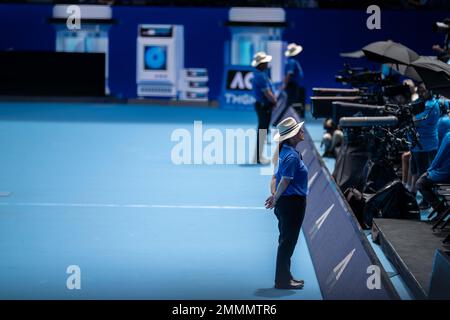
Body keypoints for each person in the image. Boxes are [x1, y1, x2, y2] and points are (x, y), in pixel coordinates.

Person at [265, 117, 308, 290]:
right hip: (292, 205)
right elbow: (284, 180)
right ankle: (282, 281)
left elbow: (275, 177)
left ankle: (285, 276)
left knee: (286, 241)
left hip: (287, 203)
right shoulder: (291, 156)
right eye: (299, 130)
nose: (302, 131)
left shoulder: (287, 152)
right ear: (291, 136)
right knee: (287, 243)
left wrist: (275, 196)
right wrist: (275, 198)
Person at [409, 84, 441, 209]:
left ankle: (427, 201)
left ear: (430, 90)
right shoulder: (424, 103)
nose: (421, 93)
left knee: (423, 174)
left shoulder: (431, 105)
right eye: (420, 91)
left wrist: (410, 117)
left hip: (425, 145)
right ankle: (416, 195)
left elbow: (417, 121)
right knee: (416, 171)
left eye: (423, 91)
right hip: (418, 145)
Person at [416, 131, 450, 217]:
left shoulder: (448, 136)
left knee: (420, 183)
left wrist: (429, 170)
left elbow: (439, 157)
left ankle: (441, 210)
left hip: (445, 174)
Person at [251, 51, 277, 165]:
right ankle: (258, 157)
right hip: (263, 106)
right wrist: (275, 101)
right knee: (262, 130)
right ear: (261, 64)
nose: (267, 63)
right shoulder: (260, 75)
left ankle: (259, 155)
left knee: (263, 130)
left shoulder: (261, 73)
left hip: (263, 106)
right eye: (265, 62)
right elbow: (267, 93)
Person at [274, 43, 305, 124]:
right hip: (292, 86)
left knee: (289, 104)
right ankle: (279, 121)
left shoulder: (291, 61)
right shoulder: (292, 62)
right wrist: (284, 85)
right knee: (289, 105)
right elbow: (288, 74)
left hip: (292, 85)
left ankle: (282, 121)